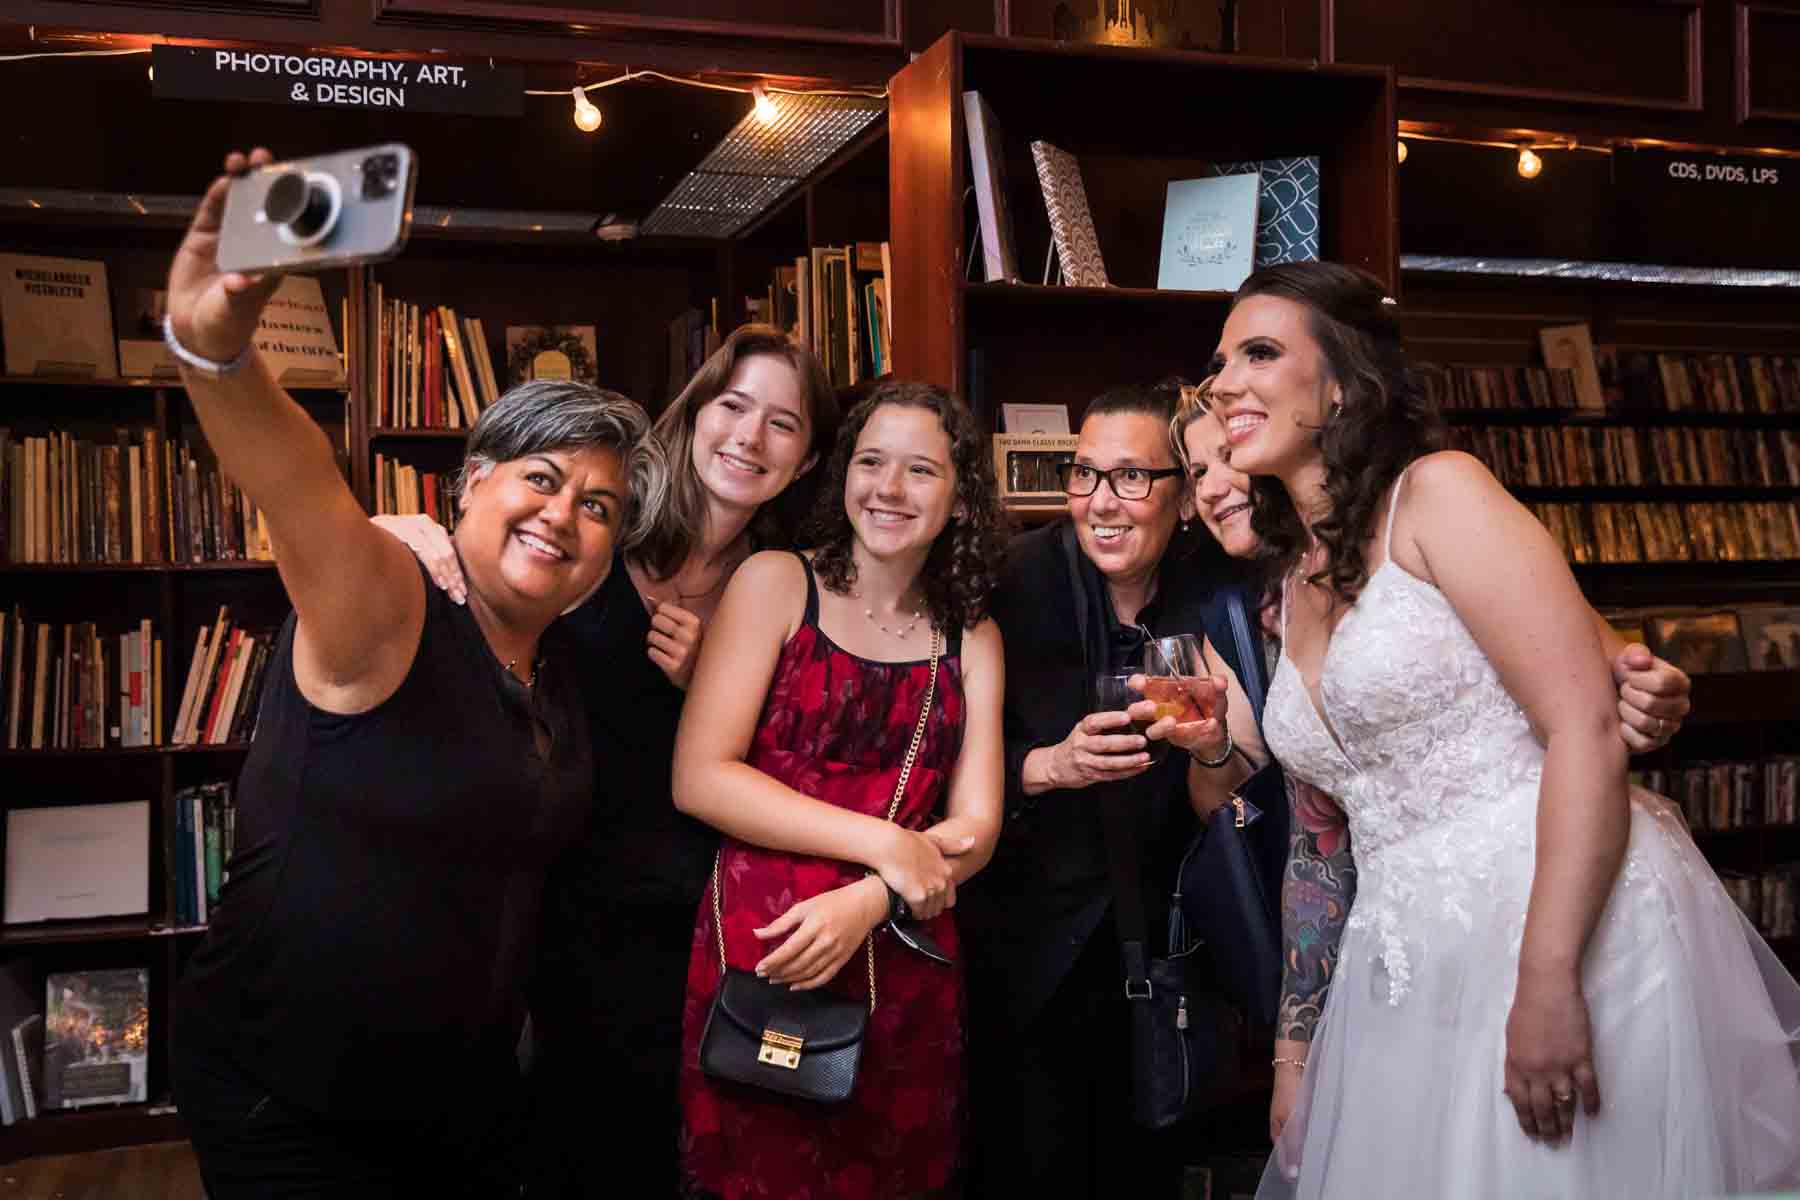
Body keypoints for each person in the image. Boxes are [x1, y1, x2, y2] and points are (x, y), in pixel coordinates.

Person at [1201, 262, 1800, 1198]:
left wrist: (1551, 981)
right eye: (1221, 362)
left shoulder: (1439, 495)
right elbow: (1321, 841)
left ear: (1346, 384)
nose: (1225, 381)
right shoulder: (1286, 586)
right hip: (1402, 963)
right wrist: (1296, 1048)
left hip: (1557, 921)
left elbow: (1586, 723)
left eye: (1261, 353)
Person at [165, 151, 658, 1196]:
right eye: (540, 478)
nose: (564, 515)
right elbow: (300, 489)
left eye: (600, 506)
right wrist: (214, 355)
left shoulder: (565, 661)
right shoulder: (390, 607)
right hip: (291, 1107)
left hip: (468, 1108)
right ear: (469, 485)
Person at [374, 323, 837, 1197]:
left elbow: (814, 767)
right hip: (543, 913)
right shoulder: (593, 536)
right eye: (733, 406)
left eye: (783, 423)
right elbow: (471, 585)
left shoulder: (790, 585)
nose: (749, 436)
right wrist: (395, 533)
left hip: (702, 931)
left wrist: (721, 687)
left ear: (809, 461)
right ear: (692, 414)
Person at [1172, 379, 1695, 1151]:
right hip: (1400, 948)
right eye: (1195, 472)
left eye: (1228, 454)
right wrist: (1295, 1051)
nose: (1216, 485)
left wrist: (1648, 691)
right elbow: (1300, 838)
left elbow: (1599, 668)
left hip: (1532, 903)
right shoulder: (1250, 607)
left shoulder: (1418, 520)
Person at [671, 380, 1007, 1199]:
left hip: (902, 956)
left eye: (921, 470)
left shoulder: (973, 634)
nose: (889, 490)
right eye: (871, 462)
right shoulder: (775, 582)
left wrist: (869, 900)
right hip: (767, 948)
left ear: (961, 499)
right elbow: (700, 778)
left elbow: (979, 827)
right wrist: (884, 846)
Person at [962, 382, 1287, 1198]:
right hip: (1027, 954)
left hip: (1176, 950)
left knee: (1147, 1169)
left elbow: (1238, 793)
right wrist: (1047, 766)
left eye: (1133, 479)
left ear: (1181, 501)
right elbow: (930, 751)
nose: (1102, 504)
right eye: (1084, 475)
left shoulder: (1215, 594)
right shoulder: (1013, 579)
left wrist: (1212, 749)